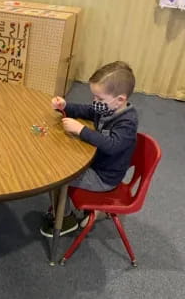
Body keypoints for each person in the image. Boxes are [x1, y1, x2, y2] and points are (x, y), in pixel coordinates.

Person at [40, 61, 138, 237]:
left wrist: (81, 130)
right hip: (95, 163)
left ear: (120, 100)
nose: (95, 102)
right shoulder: (108, 108)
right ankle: (69, 208)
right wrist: (65, 107)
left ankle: (65, 220)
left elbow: (112, 146)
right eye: (94, 97)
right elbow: (88, 111)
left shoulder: (127, 122)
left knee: (55, 177)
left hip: (104, 177)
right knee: (60, 162)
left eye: (100, 99)